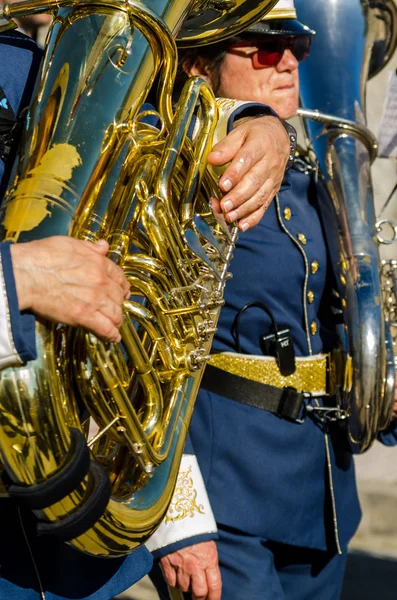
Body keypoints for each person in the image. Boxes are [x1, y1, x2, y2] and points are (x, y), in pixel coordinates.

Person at [0, 15, 295, 600]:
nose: (286, 61)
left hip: (83, 559)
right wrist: (17, 282)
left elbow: (163, 129)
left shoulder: (20, 63)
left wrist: (258, 126)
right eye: (263, 49)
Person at [147, 2, 397, 599]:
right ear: (198, 67)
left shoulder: (312, 172)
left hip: (320, 493)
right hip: (225, 499)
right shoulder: (174, 171)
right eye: (264, 48)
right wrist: (177, 520)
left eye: (299, 48)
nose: (289, 63)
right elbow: (142, 357)